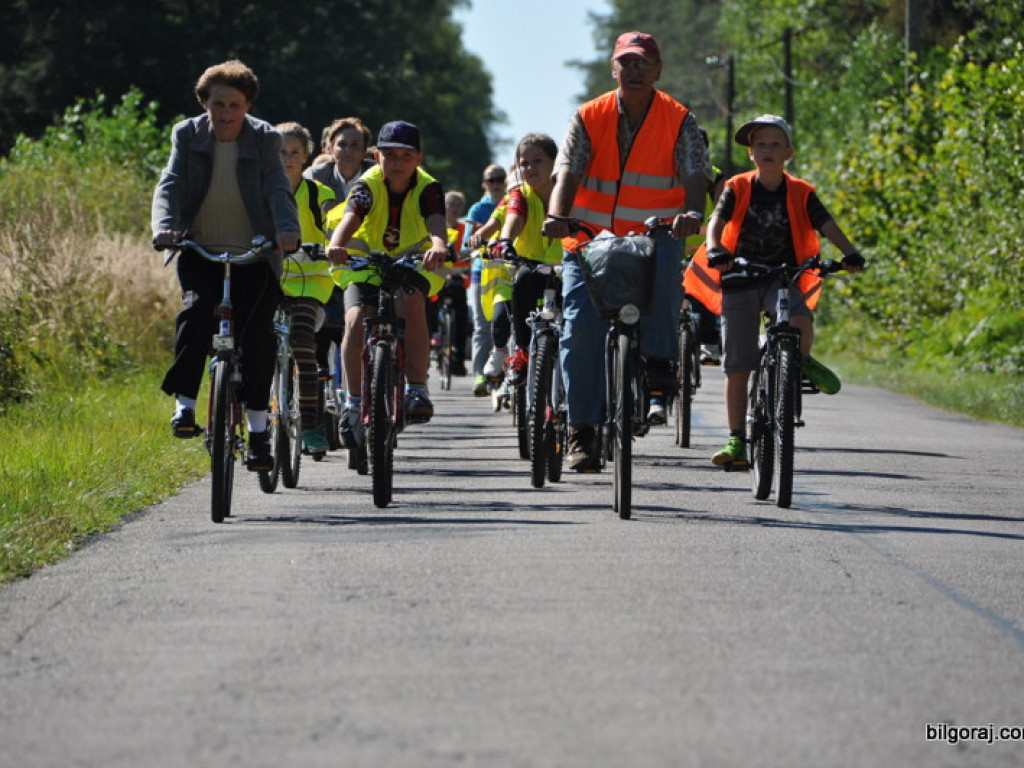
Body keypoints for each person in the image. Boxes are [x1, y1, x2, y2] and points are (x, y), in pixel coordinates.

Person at [542, 31, 710, 472]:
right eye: (627, 62)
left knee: (668, 265)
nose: (635, 70)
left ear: (658, 71)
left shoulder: (679, 118)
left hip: (654, 235)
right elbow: (566, 171)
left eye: (644, 63)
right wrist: (557, 215)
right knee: (580, 329)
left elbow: (695, 171)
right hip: (589, 238)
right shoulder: (587, 116)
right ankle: (582, 430)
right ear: (613, 68)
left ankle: (659, 364)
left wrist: (693, 212)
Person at [685, 114, 865, 466]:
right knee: (738, 365)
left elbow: (826, 223)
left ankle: (800, 360)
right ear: (751, 153)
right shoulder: (737, 186)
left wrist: (850, 253)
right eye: (760, 145)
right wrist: (716, 248)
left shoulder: (801, 192)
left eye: (775, 144)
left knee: (800, 320)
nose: (767, 150)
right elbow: (717, 221)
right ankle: (736, 440)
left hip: (781, 277)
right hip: (739, 275)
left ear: (788, 153)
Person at [151, 59, 299, 471]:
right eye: (218, 103)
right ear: (205, 103)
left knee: (257, 340)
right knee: (196, 313)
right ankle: (185, 407)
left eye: (235, 104)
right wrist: (165, 227)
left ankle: (258, 433)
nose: (226, 113)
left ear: (247, 105)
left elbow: (277, 188)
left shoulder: (265, 138)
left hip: (256, 252)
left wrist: (287, 230)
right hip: (201, 250)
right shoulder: (187, 133)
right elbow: (170, 184)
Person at [325, 120, 448, 446]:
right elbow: (352, 215)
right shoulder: (367, 184)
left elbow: (436, 219)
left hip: (411, 262)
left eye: (406, 156)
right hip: (365, 262)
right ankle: (352, 404)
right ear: (377, 156)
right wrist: (336, 245)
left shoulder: (429, 187)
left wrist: (438, 245)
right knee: (355, 319)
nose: (397, 162)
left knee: (410, 302)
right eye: (389, 155)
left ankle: (416, 389)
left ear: (419, 158)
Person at [275, 121, 336, 457]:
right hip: (267, 277)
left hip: (309, 280)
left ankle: (311, 425)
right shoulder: (259, 189)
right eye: (280, 152)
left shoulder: (318, 193)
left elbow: (333, 221)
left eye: (294, 152)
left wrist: (334, 242)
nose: (287, 158)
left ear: (306, 156)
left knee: (302, 341)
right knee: (252, 344)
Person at [307, 117, 376, 408]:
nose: (348, 151)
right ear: (329, 148)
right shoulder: (315, 176)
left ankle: (368, 386)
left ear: (365, 151)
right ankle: (319, 387)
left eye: (355, 145)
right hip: (323, 260)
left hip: (364, 263)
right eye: (342, 144)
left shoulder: (376, 176)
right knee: (318, 328)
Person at [485, 133, 562, 386]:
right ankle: (522, 352)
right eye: (524, 163)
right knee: (520, 284)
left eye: (538, 161)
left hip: (567, 266)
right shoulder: (521, 193)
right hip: (533, 264)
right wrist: (505, 240)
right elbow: (514, 215)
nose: (530, 168)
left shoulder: (568, 189)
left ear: (555, 162)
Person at [464, 163, 508, 395]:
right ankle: (480, 375)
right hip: (482, 272)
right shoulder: (478, 209)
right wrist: (477, 240)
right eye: (491, 180)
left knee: (509, 325)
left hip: (508, 271)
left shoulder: (512, 203)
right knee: (482, 327)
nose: (496, 183)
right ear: (484, 184)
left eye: (500, 178)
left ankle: (509, 375)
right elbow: (467, 243)